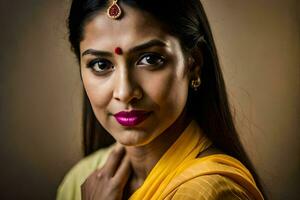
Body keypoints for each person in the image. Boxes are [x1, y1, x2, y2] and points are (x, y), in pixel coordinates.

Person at [57, 0, 265, 199]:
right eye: (101, 65)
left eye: (150, 59)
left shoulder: (211, 192)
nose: (125, 91)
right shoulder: (82, 178)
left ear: (193, 64)